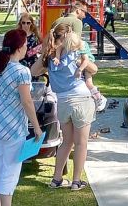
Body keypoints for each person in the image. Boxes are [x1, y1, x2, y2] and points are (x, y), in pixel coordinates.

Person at [31, 23, 97, 191]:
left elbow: (34, 71)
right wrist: (82, 58)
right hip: (81, 98)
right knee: (81, 143)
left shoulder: (50, 58)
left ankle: (57, 178)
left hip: (63, 102)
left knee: (66, 142)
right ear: (69, 35)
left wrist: (46, 51)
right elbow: (94, 69)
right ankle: (76, 181)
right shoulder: (76, 52)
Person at [0, 30, 43, 206]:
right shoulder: (21, 71)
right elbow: (26, 101)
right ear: (19, 47)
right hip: (14, 127)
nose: (27, 47)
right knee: (10, 171)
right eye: (26, 44)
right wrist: (37, 127)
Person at [56, 3, 107, 111]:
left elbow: (55, 42)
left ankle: (96, 99)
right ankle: (97, 99)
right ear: (78, 10)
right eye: (85, 12)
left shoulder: (58, 21)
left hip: (62, 56)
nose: (85, 15)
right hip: (77, 56)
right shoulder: (77, 22)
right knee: (87, 80)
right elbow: (76, 42)